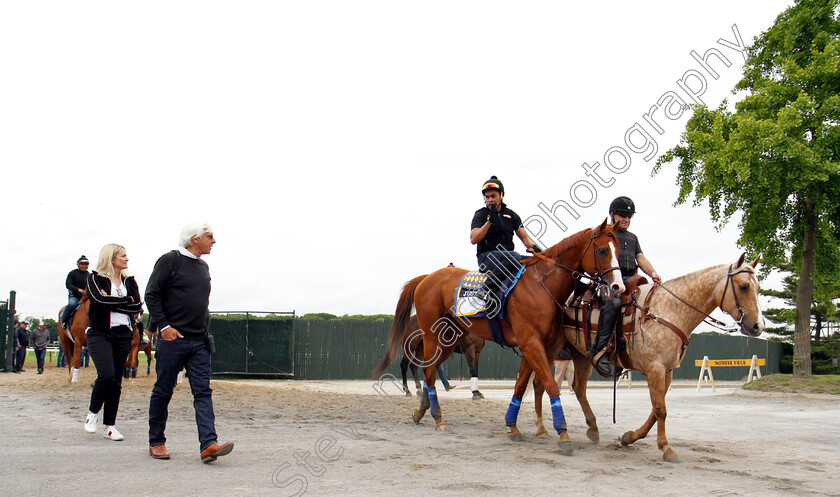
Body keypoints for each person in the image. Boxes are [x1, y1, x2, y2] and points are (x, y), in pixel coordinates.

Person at [146, 222, 233, 463]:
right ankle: (156, 442)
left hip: (199, 342)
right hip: (173, 340)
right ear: (194, 238)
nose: (213, 241)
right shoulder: (169, 261)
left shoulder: (203, 267)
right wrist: (164, 327)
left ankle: (208, 445)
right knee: (163, 390)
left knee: (203, 392)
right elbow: (151, 294)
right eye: (209, 236)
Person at [591, 196, 661, 372]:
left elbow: (640, 258)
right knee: (614, 303)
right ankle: (600, 352)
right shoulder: (604, 233)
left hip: (631, 280)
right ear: (612, 215)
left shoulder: (633, 238)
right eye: (623, 215)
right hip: (609, 280)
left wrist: (653, 273)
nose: (627, 219)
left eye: (630, 216)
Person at [83, 243, 143, 441]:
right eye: (123, 256)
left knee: (117, 381)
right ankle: (92, 413)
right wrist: (125, 302)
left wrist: (115, 302)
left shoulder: (130, 280)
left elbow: (137, 306)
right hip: (99, 333)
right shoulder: (95, 278)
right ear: (111, 258)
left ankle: (110, 426)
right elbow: (98, 302)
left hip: (123, 334)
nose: (127, 259)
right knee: (106, 375)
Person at [469, 176, 540, 314]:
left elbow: (525, 239)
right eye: (487, 197)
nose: (490, 200)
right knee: (514, 256)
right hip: (486, 257)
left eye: (493, 196)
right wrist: (488, 222)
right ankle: (485, 289)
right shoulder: (481, 214)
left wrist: (539, 251)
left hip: (508, 257)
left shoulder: (511, 215)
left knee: (534, 261)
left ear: (501, 195)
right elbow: (473, 239)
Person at [61, 255, 90, 329]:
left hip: (86, 297)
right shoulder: (73, 273)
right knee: (71, 304)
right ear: (78, 265)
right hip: (75, 296)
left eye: (86, 264)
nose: (84, 266)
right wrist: (79, 290)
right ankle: (63, 321)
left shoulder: (89, 275)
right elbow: (68, 285)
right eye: (82, 264)